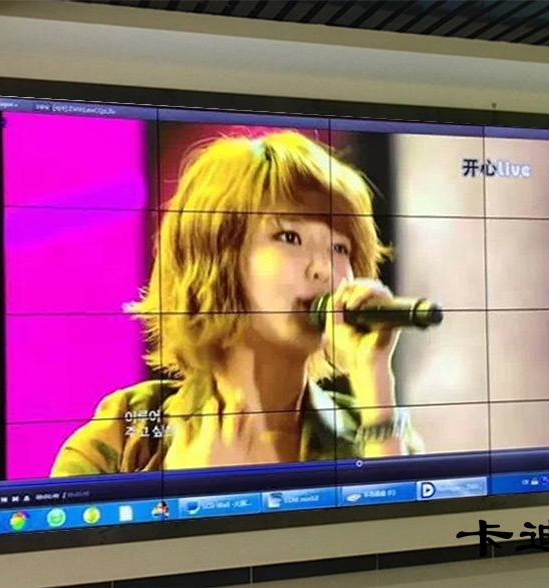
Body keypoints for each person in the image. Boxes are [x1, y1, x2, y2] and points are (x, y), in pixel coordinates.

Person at [51, 129, 424, 477]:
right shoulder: (128, 432)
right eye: (290, 237)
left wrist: (373, 375)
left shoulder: (372, 427)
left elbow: (404, 523)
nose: (325, 269)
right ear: (218, 257)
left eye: (340, 247)